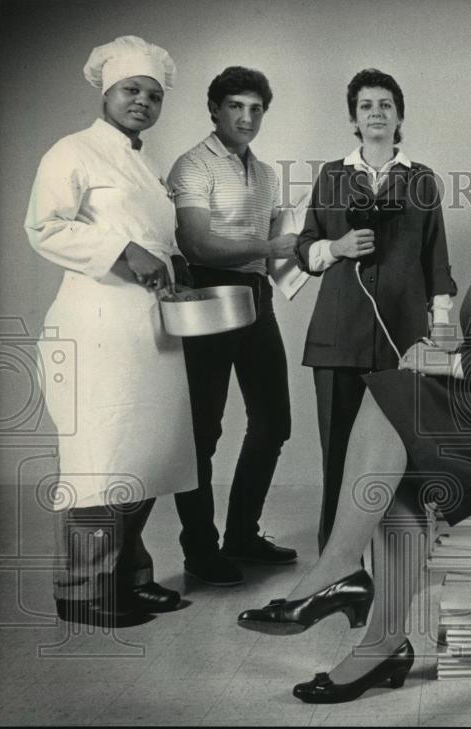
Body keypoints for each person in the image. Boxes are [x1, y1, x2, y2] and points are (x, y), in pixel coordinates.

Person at [238, 101, 471, 703]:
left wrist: (453, 363)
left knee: (393, 398)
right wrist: (440, 350)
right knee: (397, 467)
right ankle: (381, 641)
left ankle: (335, 575)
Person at [24, 35, 194, 627]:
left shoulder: (143, 164)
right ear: (106, 92)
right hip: (95, 326)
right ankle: (80, 590)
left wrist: (174, 263)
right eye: (131, 91)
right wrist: (122, 250)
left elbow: (155, 237)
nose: (142, 101)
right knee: (101, 462)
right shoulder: (71, 152)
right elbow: (44, 228)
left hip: (147, 330)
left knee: (145, 456)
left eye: (152, 94)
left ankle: (126, 577)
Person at [294, 68, 457, 552]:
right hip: (338, 337)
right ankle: (335, 563)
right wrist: (337, 247)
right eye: (366, 106)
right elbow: (304, 249)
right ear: (354, 118)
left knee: (400, 452)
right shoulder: (332, 175)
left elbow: (437, 257)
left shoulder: (421, 180)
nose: (377, 113)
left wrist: (443, 328)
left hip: (400, 339)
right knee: (338, 451)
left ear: (399, 115)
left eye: (385, 104)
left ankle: (397, 555)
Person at [167, 67, 297, 586]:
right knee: (204, 431)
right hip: (207, 292)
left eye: (256, 109)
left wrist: (317, 253)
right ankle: (200, 549)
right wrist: (269, 248)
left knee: (274, 422)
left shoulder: (264, 173)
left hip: (255, 295)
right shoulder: (193, 165)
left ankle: (242, 534)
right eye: (236, 107)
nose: (246, 118)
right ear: (215, 110)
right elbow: (198, 243)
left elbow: (281, 248)